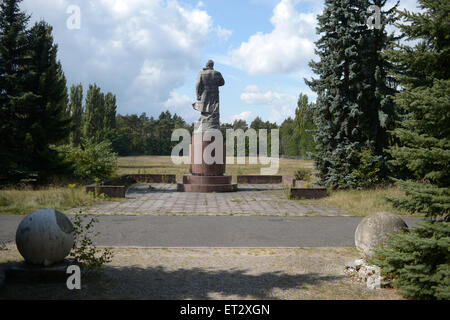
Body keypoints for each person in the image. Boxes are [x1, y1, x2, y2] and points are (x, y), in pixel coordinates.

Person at [193, 60, 225, 132]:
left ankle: (205, 125)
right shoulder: (217, 73)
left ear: (206, 65)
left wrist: (198, 95)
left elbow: (198, 84)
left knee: (204, 109)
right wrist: (214, 84)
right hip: (215, 94)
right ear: (212, 65)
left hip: (205, 93)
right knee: (214, 109)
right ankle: (212, 125)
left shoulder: (201, 73)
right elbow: (222, 83)